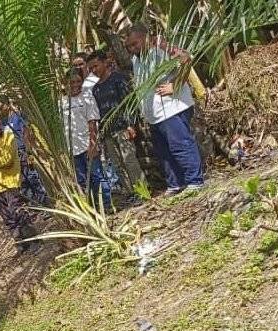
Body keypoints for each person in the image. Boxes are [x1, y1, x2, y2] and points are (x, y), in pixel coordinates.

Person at [124, 22, 204, 195]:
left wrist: (175, 85)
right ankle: (175, 184)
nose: (132, 48)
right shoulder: (136, 61)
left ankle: (195, 181)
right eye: (129, 46)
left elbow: (186, 58)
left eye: (135, 43)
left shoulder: (161, 51)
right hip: (155, 116)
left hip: (172, 109)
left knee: (181, 146)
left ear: (146, 38)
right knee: (164, 153)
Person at [87, 50, 146, 196]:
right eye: (91, 68)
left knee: (129, 160)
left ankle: (142, 191)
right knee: (118, 164)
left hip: (122, 127)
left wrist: (131, 124)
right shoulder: (96, 88)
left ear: (104, 63)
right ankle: (130, 193)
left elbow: (129, 102)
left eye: (96, 66)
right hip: (107, 131)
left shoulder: (118, 79)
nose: (94, 70)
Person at [0, 115, 37, 251]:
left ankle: (34, 241)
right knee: (7, 217)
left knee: (18, 212)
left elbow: (8, 159)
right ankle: (20, 243)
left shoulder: (8, 136)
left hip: (11, 182)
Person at [61, 68, 111, 210]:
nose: (75, 85)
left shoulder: (87, 96)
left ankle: (106, 205)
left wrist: (92, 144)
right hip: (72, 149)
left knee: (97, 176)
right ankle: (92, 208)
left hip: (87, 145)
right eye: (72, 82)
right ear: (65, 83)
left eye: (78, 81)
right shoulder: (62, 102)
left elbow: (92, 122)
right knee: (82, 180)